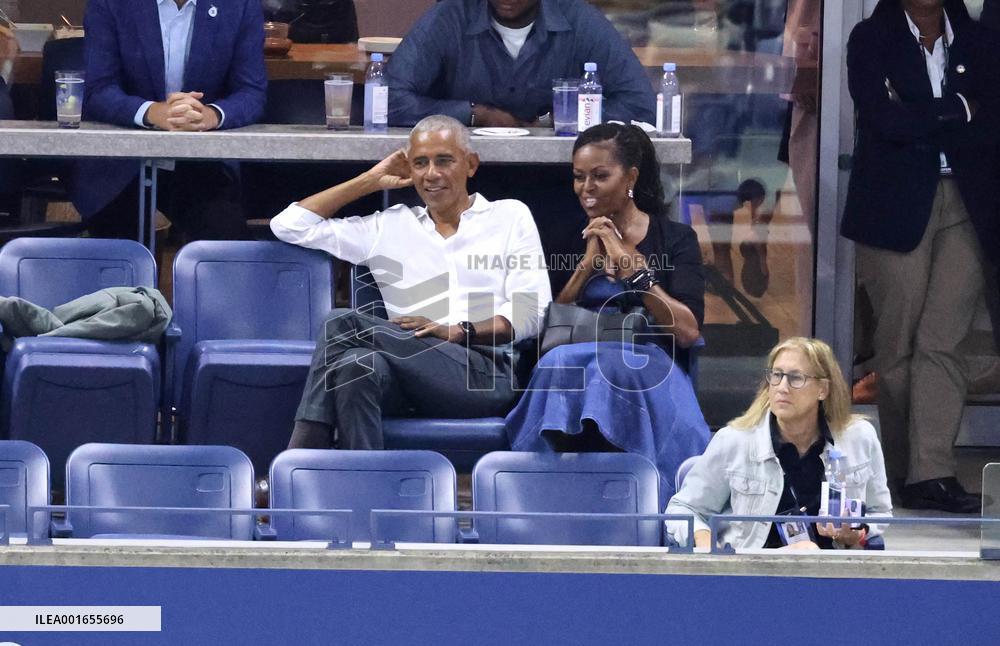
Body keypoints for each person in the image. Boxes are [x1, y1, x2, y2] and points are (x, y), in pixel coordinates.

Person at [270, 115, 552, 450]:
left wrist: (457, 330)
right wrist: (371, 180)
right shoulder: (388, 227)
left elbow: (532, 312)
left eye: (444, 161)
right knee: (354, 367)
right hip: (405, 376)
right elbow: (290, 226)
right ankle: (365, 488)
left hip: (484, 374)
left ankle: (302, 454)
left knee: (342, 324)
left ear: (471, 164)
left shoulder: (509, 216)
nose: (431, 174)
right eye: (420, 163)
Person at [840, 0, 1000, 512]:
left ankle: (934, 471)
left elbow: (991, 117)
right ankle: (902, 470)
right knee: (897, 343)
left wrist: (922, 113)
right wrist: (956, 109)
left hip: (968, 202)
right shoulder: (870, 38)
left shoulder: (978, 41)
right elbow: (882, 120)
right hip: (894, 206)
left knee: (943, 340)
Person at [505, 123, 709, 499]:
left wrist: (633, 270)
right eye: (579, 177)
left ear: (630, 176)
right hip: (573, 356)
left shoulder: (676, 238)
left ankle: (648, 501)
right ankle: (546, 500)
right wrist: (586, 267)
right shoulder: (565, 236)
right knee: (561, 363)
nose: (587, 188)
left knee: (607, 368)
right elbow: (550, 324)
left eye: (600, 176)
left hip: (649, 361)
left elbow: (687, 332)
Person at [665, 337, 893, 550]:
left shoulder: (860, 438)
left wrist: (855, 534)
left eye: (795, 378)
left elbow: (879, 512)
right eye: (776, 375)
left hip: (831, 576)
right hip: (753, 575)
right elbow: (684, 510)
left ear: (823, 389)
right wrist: (709, 547)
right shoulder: (734, 441)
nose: (782, 387)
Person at [70, 0, 268, 240]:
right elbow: (98, 89)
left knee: (223, 239)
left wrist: (210, 115)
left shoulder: (239, 5)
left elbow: (251, 92)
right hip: (121, 163)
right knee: (121, 258)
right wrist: (152, 112)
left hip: (201, 159)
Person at [386, 0, 655, 127]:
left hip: (557, 179)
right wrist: (475, 114)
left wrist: (561, 117)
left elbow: (641, 105)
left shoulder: (579, 18)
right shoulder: (450, 15)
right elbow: (387, 99)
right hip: (460, 178)